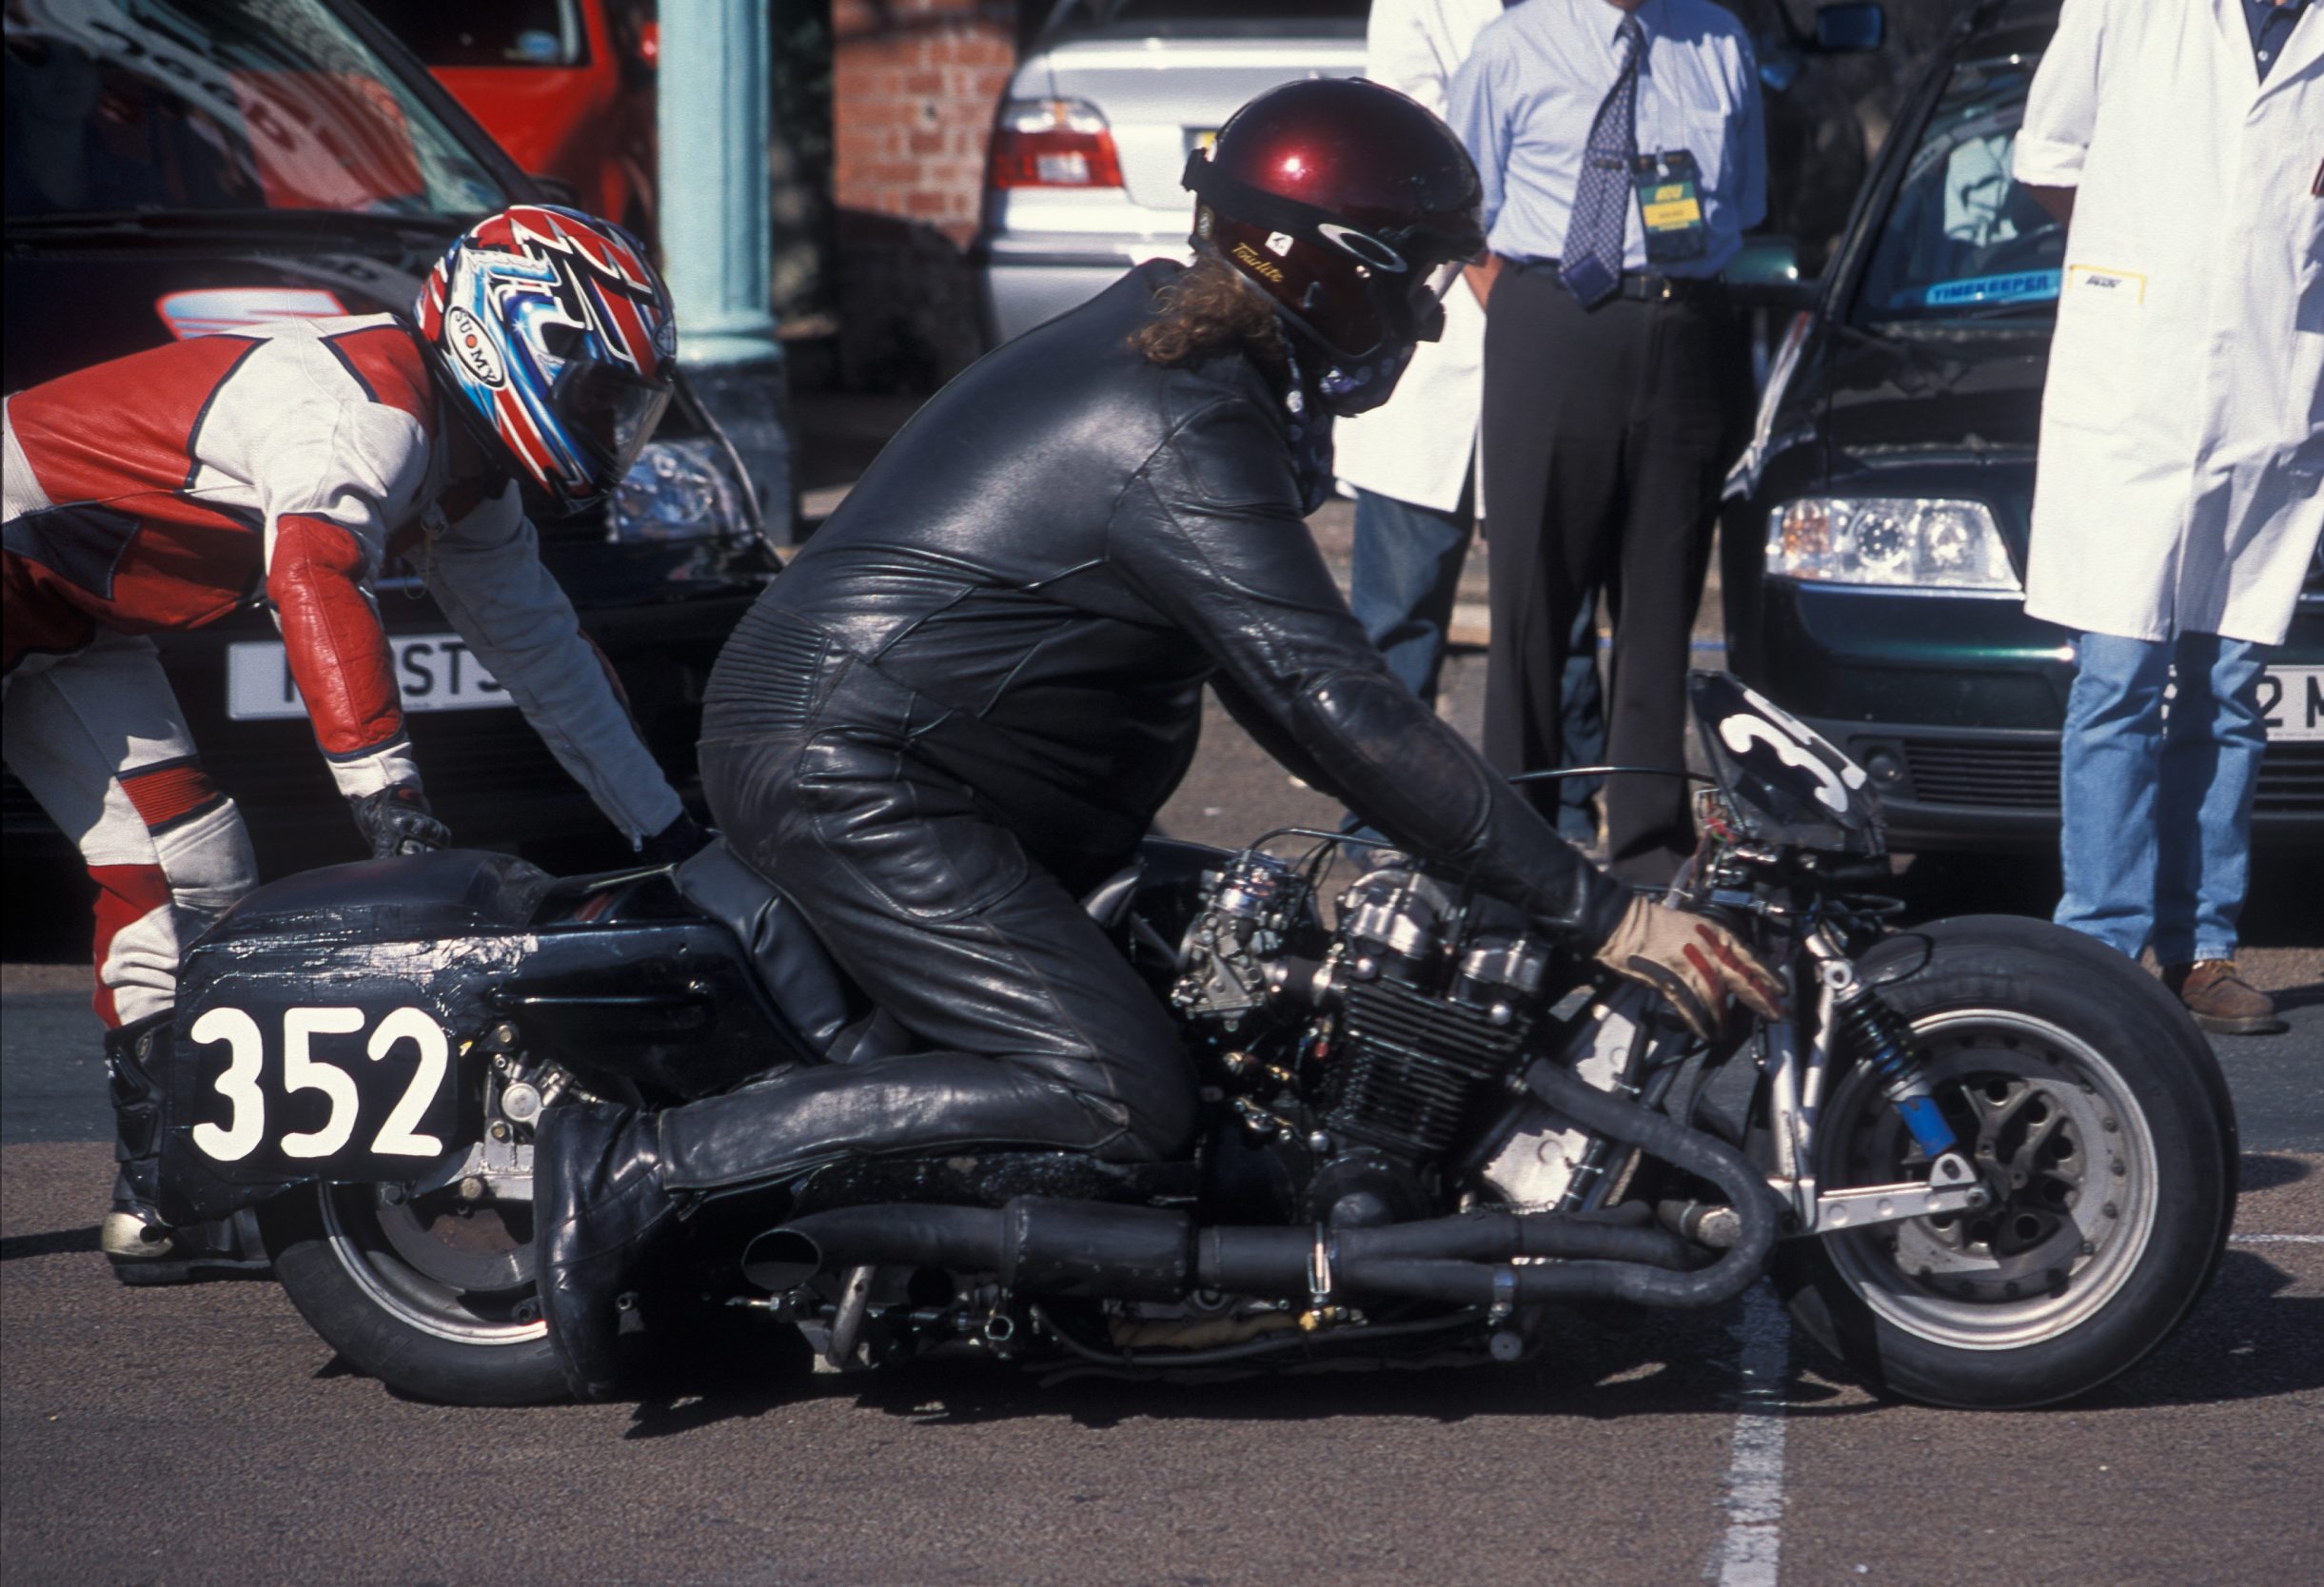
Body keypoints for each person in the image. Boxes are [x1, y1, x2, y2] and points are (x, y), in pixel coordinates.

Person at [530, 79, 1786, 1402]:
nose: (1426, 317)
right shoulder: (1178, 423)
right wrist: (1602, 912)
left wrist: (1497, 868)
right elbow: (1329, 701)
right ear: (1327, 265)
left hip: (923, 768)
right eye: (1412, 277)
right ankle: (640, 1166)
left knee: (1245, 983)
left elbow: (1287, 691)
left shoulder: (1187, 366)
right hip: (857, 776)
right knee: (1118, 1094)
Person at [1, 205, 708, 1280]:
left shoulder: (467, 476)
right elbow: (313, 575)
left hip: (64, 615)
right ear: (503, 341)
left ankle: (163, 1198)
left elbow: (546, 658)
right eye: (600, 391)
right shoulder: (368, 409)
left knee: (190, 865)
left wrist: (669, 836)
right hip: (23, 572)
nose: (611, 423)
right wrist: (390, 805)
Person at [2013, 0, 2324, 1033]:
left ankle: (2201, 950)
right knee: (2114, 680)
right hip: (2131, 390)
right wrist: (2149, 263)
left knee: (2227, 691)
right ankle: (2101, 950)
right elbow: (2048, 158)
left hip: (2268, 400)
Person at [1448, 0, 1766, 885]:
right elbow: (1463, 214)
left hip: (1685, 327)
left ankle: (1647, 853)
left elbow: (1742, 200)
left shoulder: (1720, 41)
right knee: (1534, 609)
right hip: (1554, 322)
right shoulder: (1512, 46)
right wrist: (1534, 319)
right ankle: (1515, 850)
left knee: (1660, 612)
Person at [1331, 0, 1605, 856]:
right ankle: (1380, 827)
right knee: (1399, 616)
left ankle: (1565, 819)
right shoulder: (1417, 6)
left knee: (1559, 617)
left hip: (1559, 329)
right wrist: (1501, 280)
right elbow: (1417, 149)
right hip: (1436, 343)